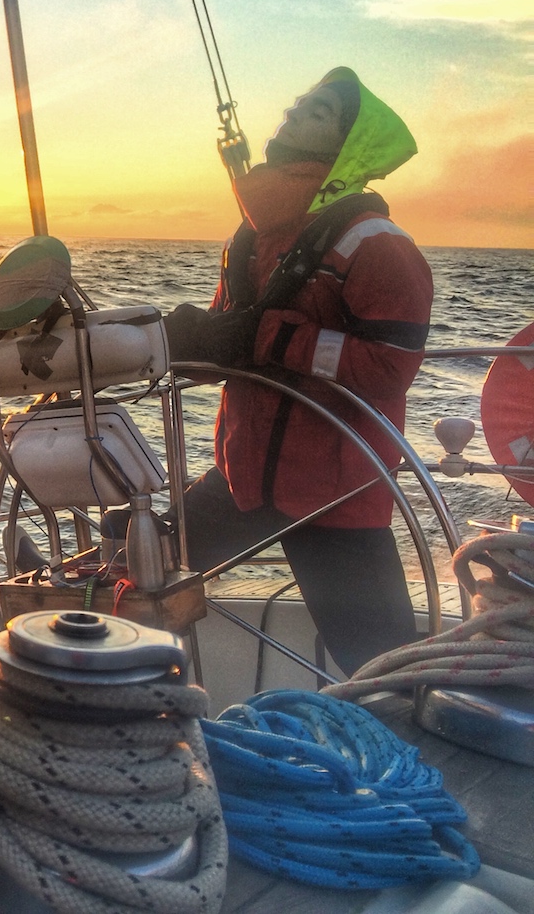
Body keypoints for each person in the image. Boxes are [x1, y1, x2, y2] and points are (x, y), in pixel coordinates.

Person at [163, 66, 433, 676]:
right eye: (297, 102)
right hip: (245, 479)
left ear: (347, 146)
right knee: (143, 565)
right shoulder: (253, 238)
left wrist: (267, 337)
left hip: (333, 496)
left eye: (317, 111)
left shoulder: (379, 245)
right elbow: (233, 341)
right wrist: (196, 343)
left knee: (381, 668)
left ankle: (411, 756)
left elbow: (391, 369)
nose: (293, 112)